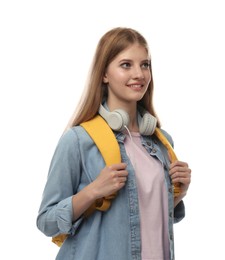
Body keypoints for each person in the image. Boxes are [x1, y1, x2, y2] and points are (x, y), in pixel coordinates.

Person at [36, 27, 191, 260]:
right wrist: (93, 191)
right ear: (104, 74)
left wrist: (179, 193)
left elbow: (146, 217)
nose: (139, 74)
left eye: (145, 64)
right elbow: (46, 221)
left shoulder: (161, 142)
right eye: (126, 65)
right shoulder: (78, 140)